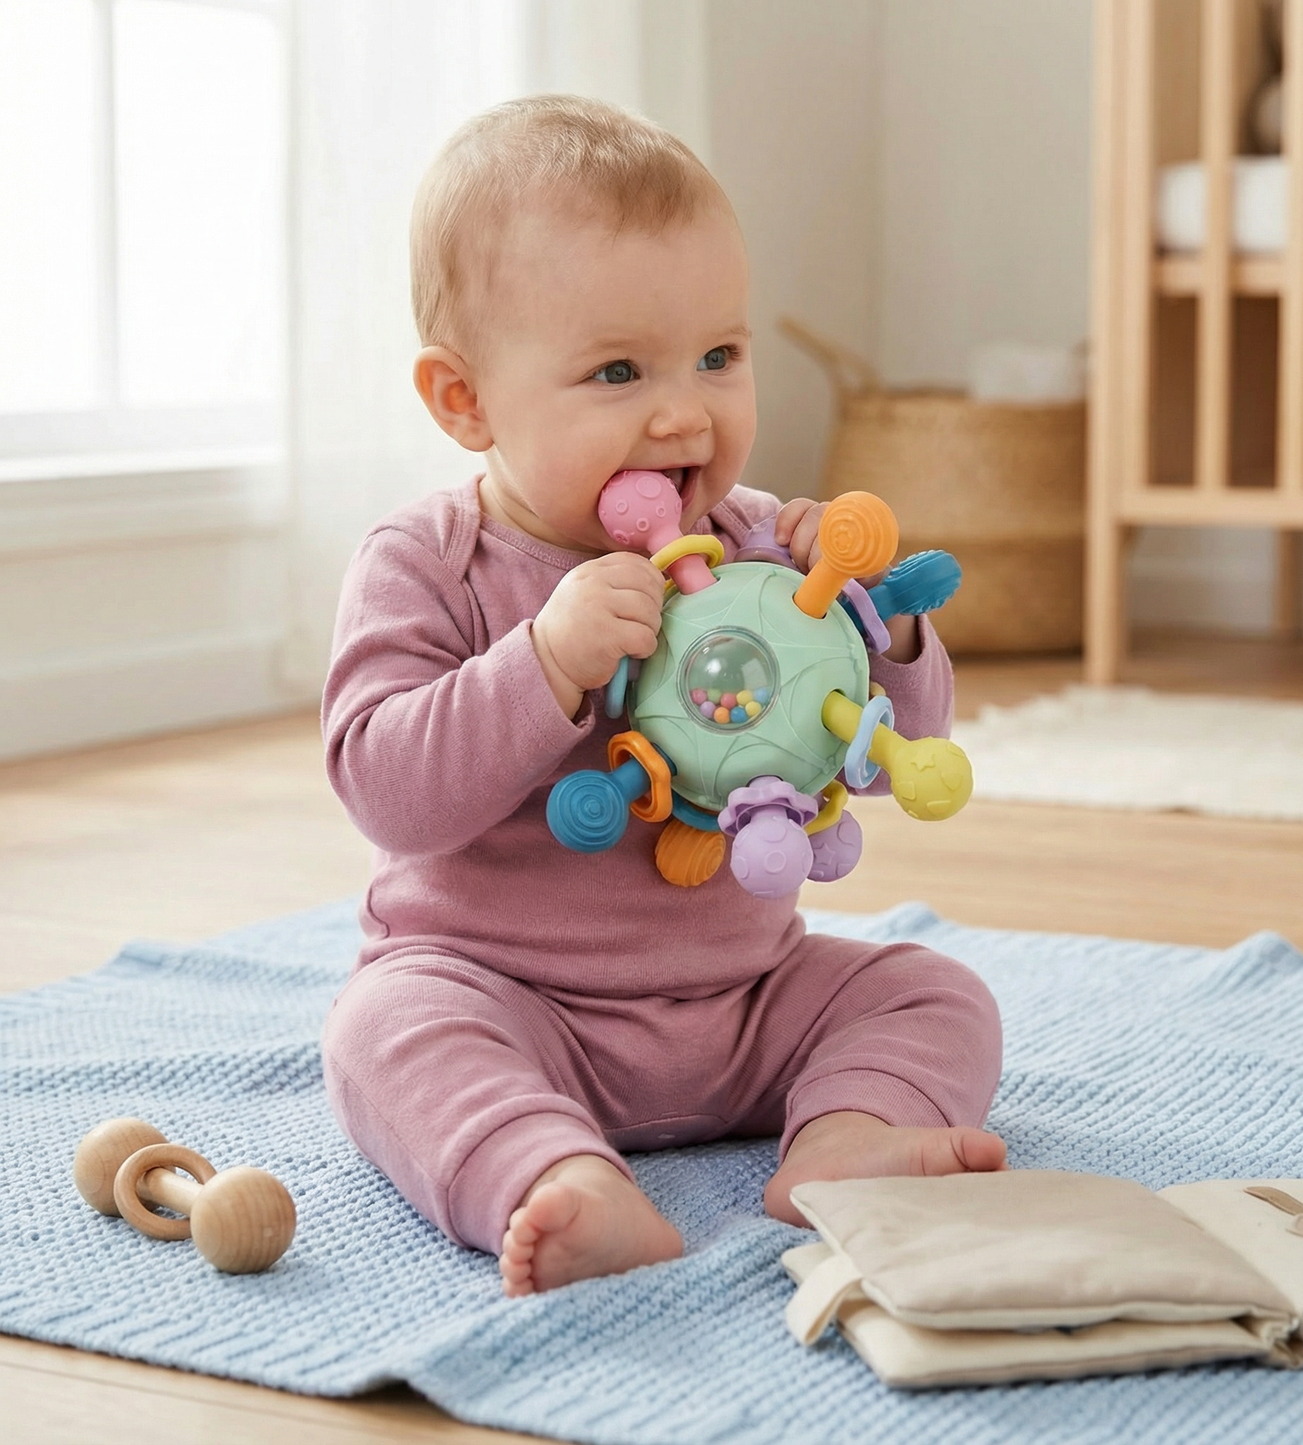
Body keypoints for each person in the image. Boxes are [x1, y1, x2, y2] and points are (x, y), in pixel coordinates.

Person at [321, 95, 1005, 1298]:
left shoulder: (757, 555)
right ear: (464, 400)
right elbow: (384, 787)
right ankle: (553, 1174)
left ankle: (841, 1142)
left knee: (930, 987)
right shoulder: (429, 561)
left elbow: (914, 736)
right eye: (618, 370)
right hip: (510, 1001)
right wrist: (542, 663)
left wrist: (877, 623)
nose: (684, 410)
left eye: (719, 357)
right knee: (382, 1034)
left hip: (744, 1003)